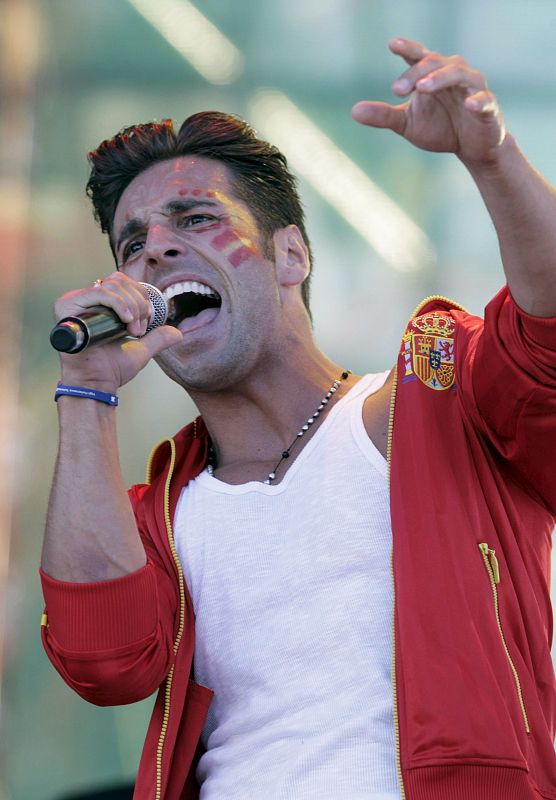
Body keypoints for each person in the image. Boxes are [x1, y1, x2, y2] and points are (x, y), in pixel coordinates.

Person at [40, 37, 556, 800]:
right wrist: (86, 390)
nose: (155, 252)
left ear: (292, 257)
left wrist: (494, 159)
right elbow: (102, 662)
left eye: (195, 218)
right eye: (133, 243)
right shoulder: (162, 515)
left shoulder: (438, 400)